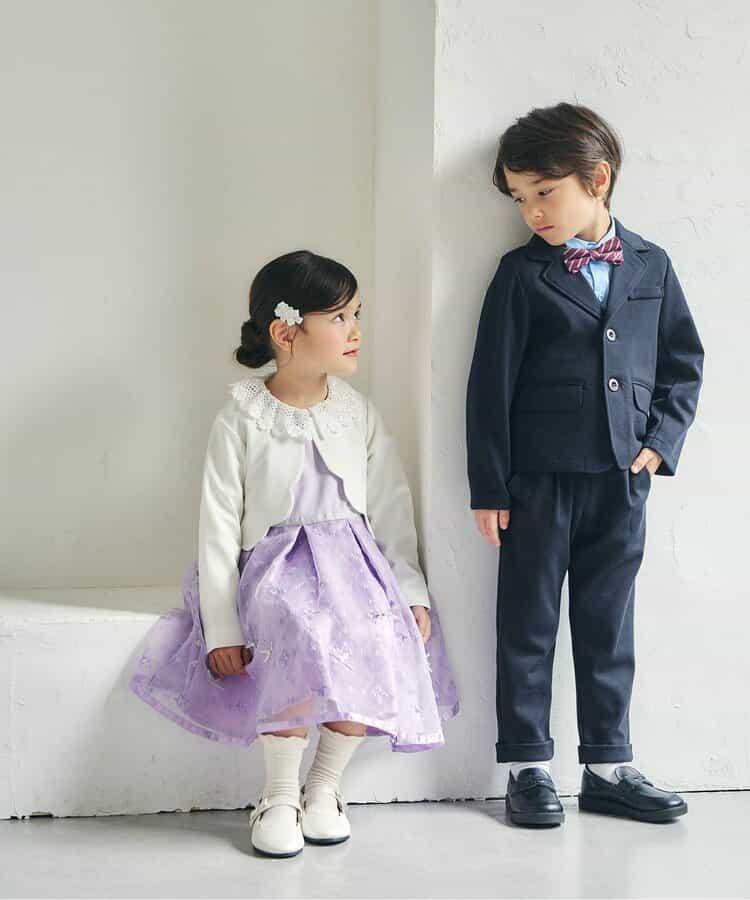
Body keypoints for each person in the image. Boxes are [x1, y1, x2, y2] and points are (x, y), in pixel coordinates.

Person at [131, 250, 458, 857]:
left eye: (357, 315)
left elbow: (391, 506)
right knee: (294, 624)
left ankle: (324, 786)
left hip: (353, 568)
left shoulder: (357, 413)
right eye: (340, 317)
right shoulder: (241, 418)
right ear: (287, 333)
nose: (356, 330)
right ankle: (279, 793)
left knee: (371, 632)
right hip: (274, 569)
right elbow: (217, 526)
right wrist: (221, 626)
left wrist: (410, 589)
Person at [466, 103, 703, 826]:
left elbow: (683, 363)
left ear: (596, 180)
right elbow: (489, 386)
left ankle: (607, 766)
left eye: (544, 192)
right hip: (537, 482)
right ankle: (526, 767)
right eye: (519, 198)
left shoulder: (652, 265)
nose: (531, 212)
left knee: (609, 623)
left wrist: (661, 441)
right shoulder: (520, 274)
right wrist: (490, 486)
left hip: (622, 479)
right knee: (527, 622)